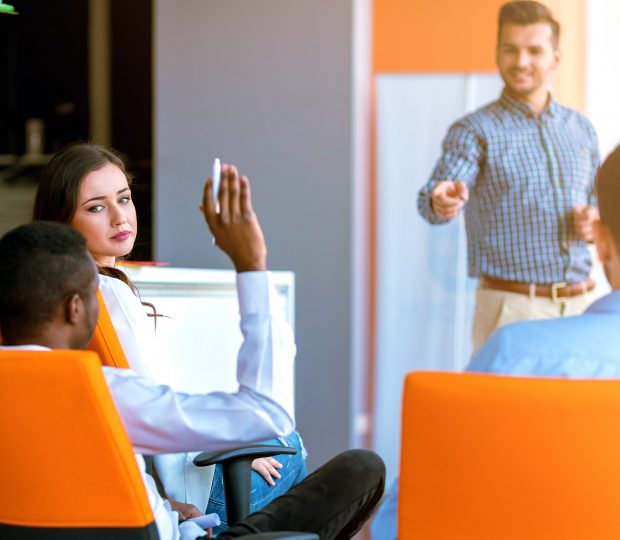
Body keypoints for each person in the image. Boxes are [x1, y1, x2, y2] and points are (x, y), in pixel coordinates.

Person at [0, 220, 385, 540]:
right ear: (75, 308)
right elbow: (267, 415)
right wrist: (252, 264)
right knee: (361, 470)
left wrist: (163, 509)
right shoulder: (104, 394)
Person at [32, 143, 306, 531]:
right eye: (96, 207)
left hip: (117, 496)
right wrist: (251, 263)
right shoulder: (108, 295)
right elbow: (158, 410)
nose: (119, 217)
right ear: (61, 224)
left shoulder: (48, 303)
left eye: (124, 199)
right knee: (295, 447)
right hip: (180, 494)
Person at [417, 0, 600, 353]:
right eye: (510, 49)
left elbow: (594, 204)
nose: (521, 62)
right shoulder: (475, 130)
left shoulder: (582, 129)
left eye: (534, 50)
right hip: (513, 310)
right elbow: (433, 198)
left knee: (577, 411)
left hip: (581, 308)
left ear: (556, 58)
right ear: (497, 53)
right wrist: (441, 200)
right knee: (506, 411)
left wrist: (593, 221)